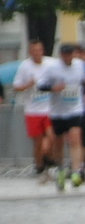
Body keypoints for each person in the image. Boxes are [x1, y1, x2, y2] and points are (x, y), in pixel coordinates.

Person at [37, 42, 85, 189]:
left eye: (70, 54)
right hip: (58, 110)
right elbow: (41, 85)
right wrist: (53, 88)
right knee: (58, 142)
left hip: (75, 108)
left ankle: (76, 171)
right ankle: (61, 169)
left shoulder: (80, 65)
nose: (68, 57)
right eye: (65, 54)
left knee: (76, 138)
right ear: (61, 55)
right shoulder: (52, 68)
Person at [13, 39, 52, 178]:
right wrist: (28, 84)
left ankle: (47, 161)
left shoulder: (50, 63)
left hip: (49, 108)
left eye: (39, 50)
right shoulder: (25, 66)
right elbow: (16, 87)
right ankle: (40, 165)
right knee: (38, 142)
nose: (37, 53)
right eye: (34, 50)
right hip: (33, 110)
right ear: (30, 52)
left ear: (43, 50)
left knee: (51, 136)